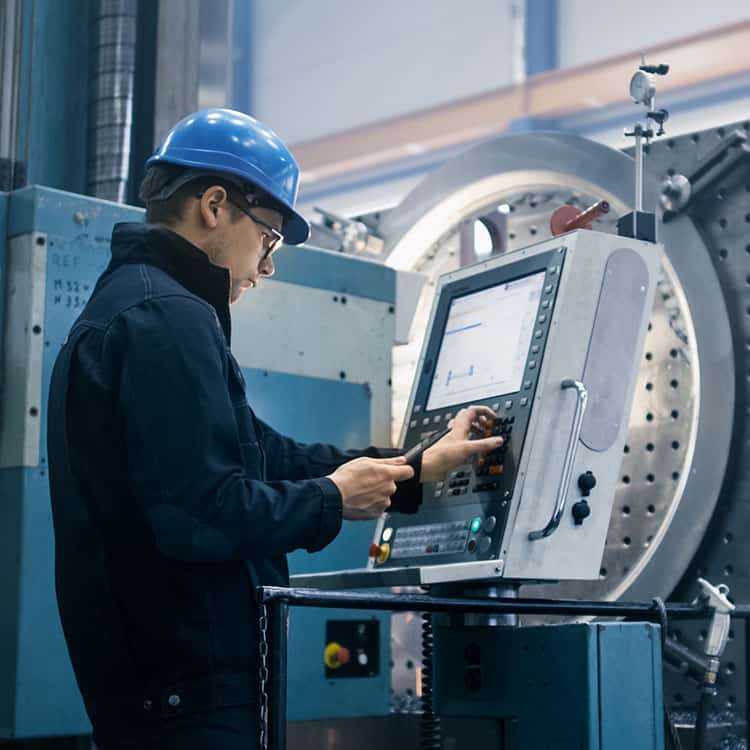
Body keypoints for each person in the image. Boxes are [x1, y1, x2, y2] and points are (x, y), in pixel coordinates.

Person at [46, 109, 503, 749]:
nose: (267, 266)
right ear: (213, 205)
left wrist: (416, 467)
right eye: (268, 238)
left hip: (164, 692)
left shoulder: (138, 306)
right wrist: (334, 501)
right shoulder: (167, 320)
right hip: (190, 700)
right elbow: (203, 511)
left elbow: (270, 455)